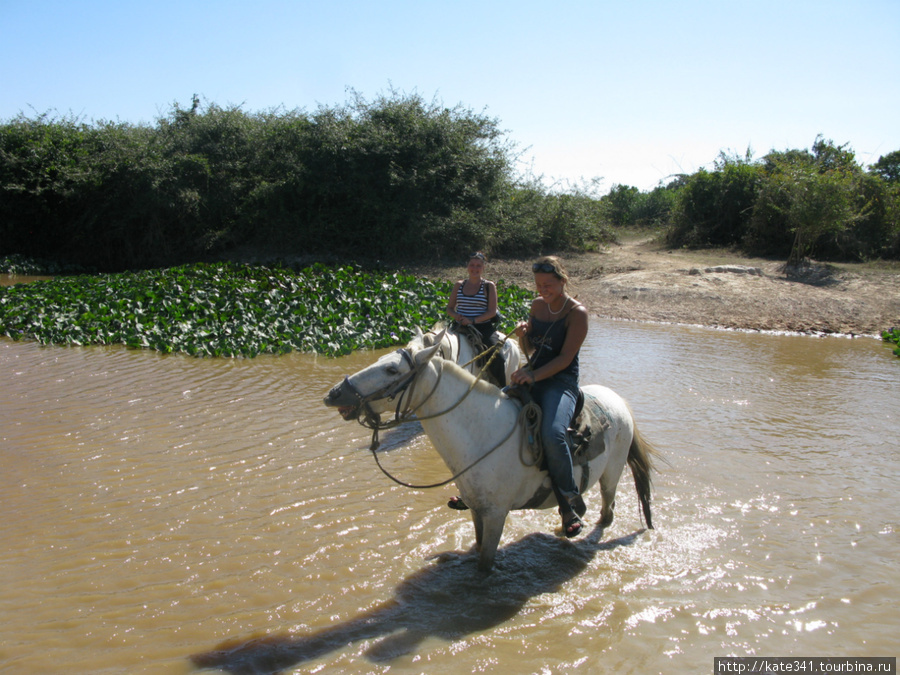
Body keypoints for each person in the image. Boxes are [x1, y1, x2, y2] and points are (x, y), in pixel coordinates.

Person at [509, 256, 589, 538]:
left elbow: (566, 359)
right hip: (534, 371)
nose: (543, 290)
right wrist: (522, 336)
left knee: (553, 434)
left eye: (549, 285)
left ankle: (570, 499)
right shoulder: (537, 306)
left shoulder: (577, 313)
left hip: (561, 381)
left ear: (562, 280)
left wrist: (532, 377)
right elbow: (532, 349)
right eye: (539, 285)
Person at [446, 251, 505, 386]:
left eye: (478, 266)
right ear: (467, 267)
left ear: (483, 268)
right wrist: (457, 316)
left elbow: (491, 312)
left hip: (482, 327)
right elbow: (449, 308)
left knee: (498, 358)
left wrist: (472, 320)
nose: (475, 268)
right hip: (459, 326)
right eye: (472, 265)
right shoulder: (459, 285)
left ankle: (502, 389)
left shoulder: (488, 286)